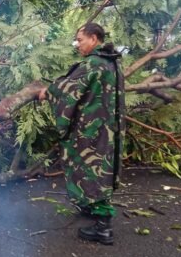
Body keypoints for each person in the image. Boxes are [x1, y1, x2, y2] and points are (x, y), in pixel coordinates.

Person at [38, 23, 125, 245]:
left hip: (92, 130)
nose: (78, 44)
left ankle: (104, 225)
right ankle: (91, 208)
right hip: (108, 128)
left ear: (94, 39)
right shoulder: (112, 62)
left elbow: (68, 89)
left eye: (81, 39)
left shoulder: (94, 63)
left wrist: (47, 92)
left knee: (91, 169)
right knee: (101, 168)